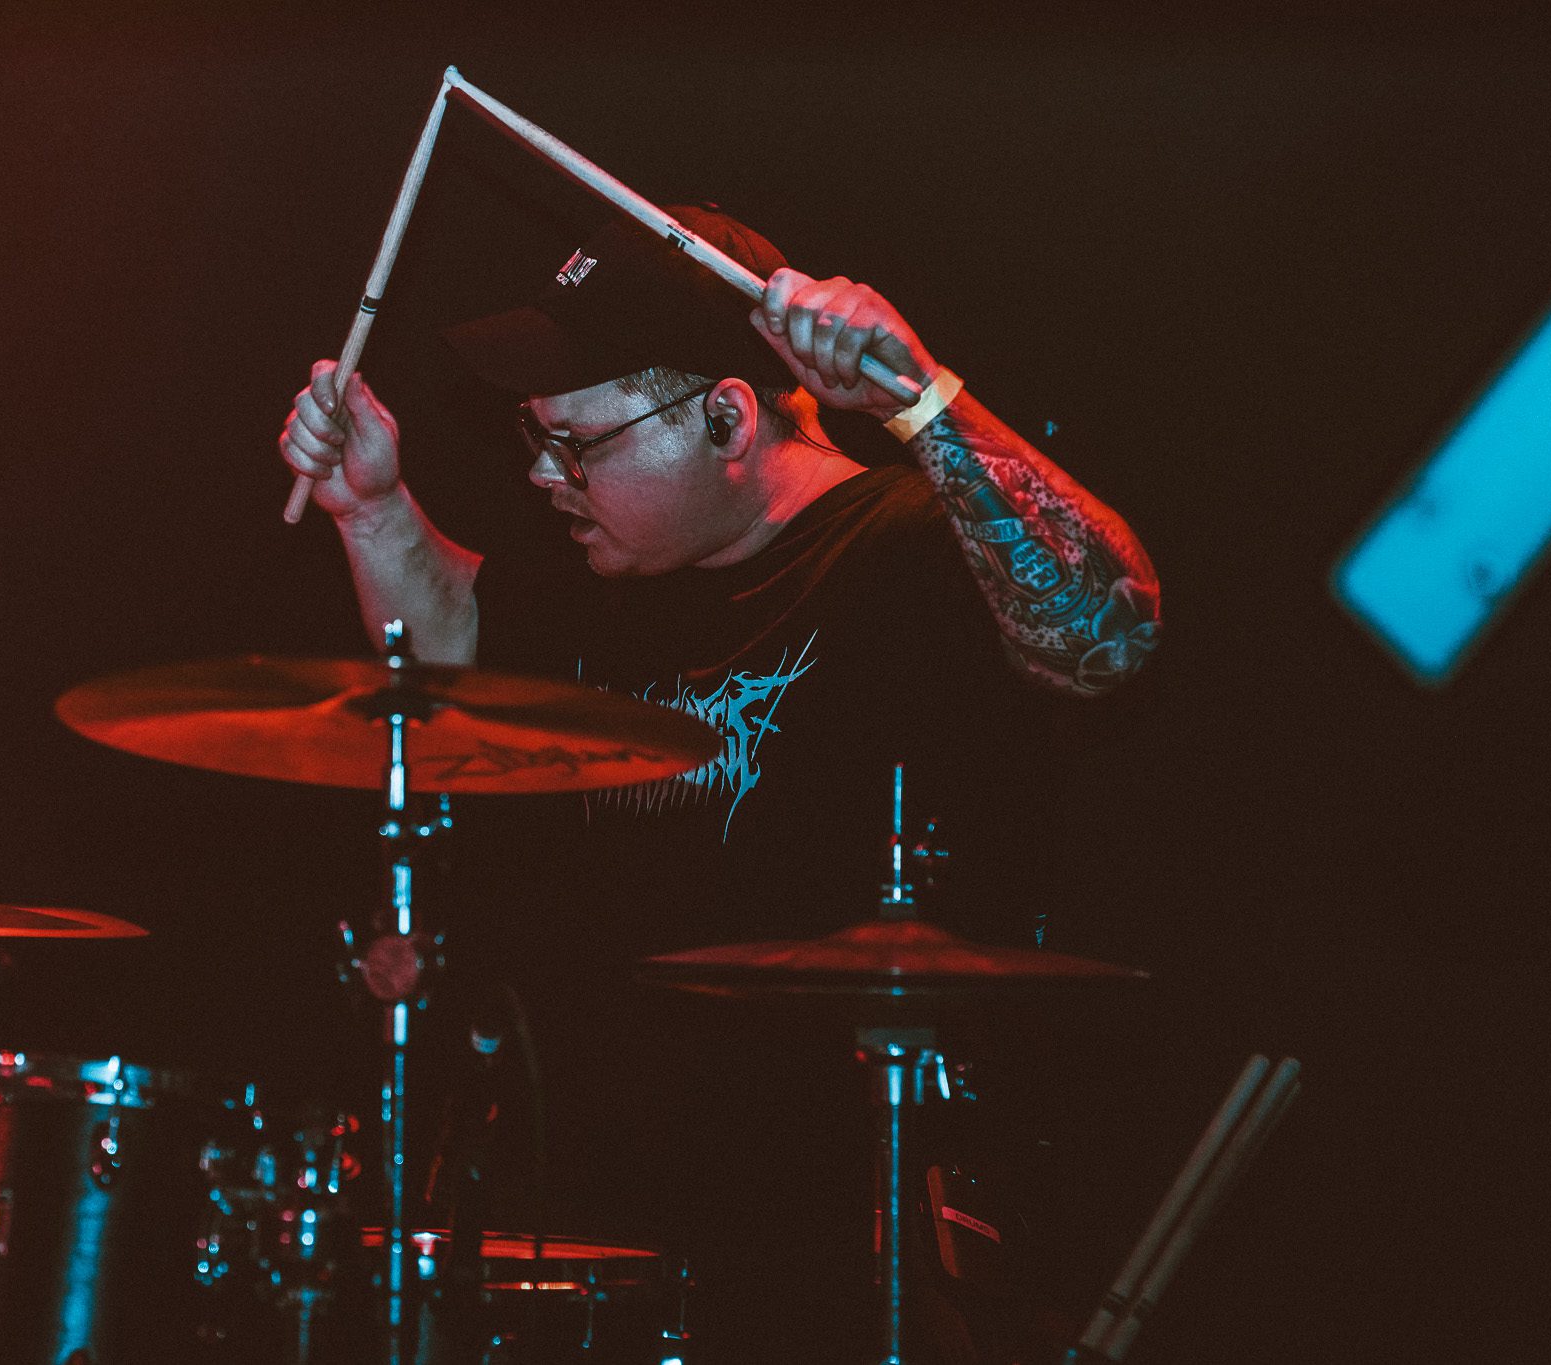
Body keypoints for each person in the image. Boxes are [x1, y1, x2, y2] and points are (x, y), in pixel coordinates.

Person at [278, 204, 1161, 1360]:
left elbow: (1106, 630)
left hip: (839, 1243)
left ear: (725, 417)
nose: (542, 475)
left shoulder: (903, 550)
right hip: (619, 1218)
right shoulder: (623, 569)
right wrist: (373, 507)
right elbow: (451, 653)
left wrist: (922, 399)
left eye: (574, 443)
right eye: (530, 440)